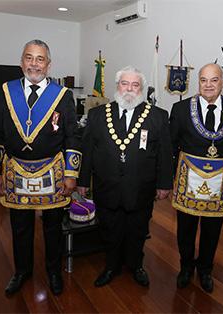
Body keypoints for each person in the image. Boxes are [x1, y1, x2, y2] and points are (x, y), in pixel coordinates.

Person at [0, 39, 81, 296]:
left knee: (53, 227)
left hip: (53, 169)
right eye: (29, 58)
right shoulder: (6, 91)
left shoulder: (63, 95)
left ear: (48, 65)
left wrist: (72, 175)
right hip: (15, 168)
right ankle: (22, 272)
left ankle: (53, 271)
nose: (34, 64)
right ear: (21, 62)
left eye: (40, 59)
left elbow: (72, 135)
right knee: (20, 226)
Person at [77, 66, 173, 287]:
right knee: (109, 227)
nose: (129, 88)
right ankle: (111, 266)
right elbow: (88, 150)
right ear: (117, 86)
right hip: (106, 186)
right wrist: (83, 181)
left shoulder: (158, 116)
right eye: (124, 83)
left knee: (138, 229)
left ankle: (136, 265)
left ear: (142, 89)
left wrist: (164, 183)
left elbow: (165, 154)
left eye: (135, 84)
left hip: (141, 188)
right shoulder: (97, 115)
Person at [170, 63, 223, 293]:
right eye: (203, 80)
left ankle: (205, 269)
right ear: (199, 82)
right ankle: (186, 267)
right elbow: (172, 147)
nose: (208, 85)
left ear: (222, 82)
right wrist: (171, 180)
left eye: (214, 80)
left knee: (212, 230)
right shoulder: (181, 109)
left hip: (222, 184)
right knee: (185, 228)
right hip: (188, 182)